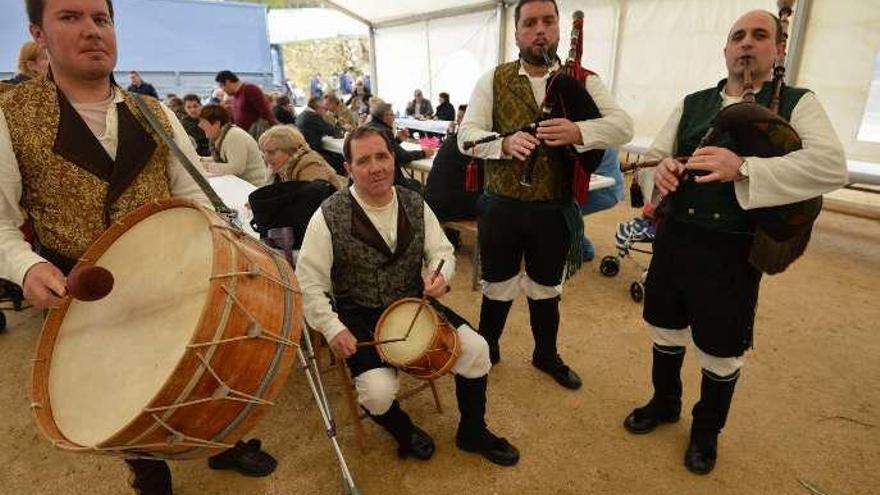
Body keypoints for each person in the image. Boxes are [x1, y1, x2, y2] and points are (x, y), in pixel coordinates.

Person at [0, 1, 277, 493]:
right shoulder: (10, 115)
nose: (91, 31)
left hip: (169, 272)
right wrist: (25, 267)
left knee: (203, 358)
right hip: (83, 293)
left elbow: (191, 191)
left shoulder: (154, 113)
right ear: (37, 34)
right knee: (124, 389)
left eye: (101, 19)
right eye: (70, 17)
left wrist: (216, 240)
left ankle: (224, 443)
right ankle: (149, 470)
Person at [622, 10, 847, 475]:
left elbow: (830, 168)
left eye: (760, 35)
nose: (747, 44)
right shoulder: (694, 102)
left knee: (721, 349)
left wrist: (743, 167)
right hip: (676, 238)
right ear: (725, 50)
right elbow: (656, 158)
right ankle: (665, 404)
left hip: (733, 250)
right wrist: (659, 173)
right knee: (664, 326)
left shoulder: (799, 103)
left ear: (778, 49)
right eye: (738, 36)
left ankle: (706, 431)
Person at [296, 125, 519, 467]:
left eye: (382, 156)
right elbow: (309, 283)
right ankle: (403, 431)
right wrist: (332, 328)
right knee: (378, 393)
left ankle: (472, 431)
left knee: (477, 350)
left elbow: (441, 250)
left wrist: (440, 276)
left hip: (415, 305)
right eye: (364, 160)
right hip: (360, 316)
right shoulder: (327, 215)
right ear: (348, 168)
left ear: (393, 157)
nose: (376, 167)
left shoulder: (414, 201)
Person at [457, 0, 633, 390]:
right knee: (497, 284)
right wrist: (502, 143)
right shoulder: (494, 79)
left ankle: (545, 354)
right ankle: (489, 347)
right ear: (517, 32)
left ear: (557, 29)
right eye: (530, 23)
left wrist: (579, 132)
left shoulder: (583, 80)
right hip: (501, 206)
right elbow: (465, 136)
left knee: (546, 286)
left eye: (548, 22)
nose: (540, 30)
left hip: (553, 208)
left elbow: (623, 127)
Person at [424, 104, 481, 222]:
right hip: (449, 208)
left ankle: (451, 237)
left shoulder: (450, 140)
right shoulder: (473, 146)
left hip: (431, 202)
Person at [366, 98, 435, 189]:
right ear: (386, 116)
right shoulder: (384, 131)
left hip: (374, 179)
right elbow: (403, 156)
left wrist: (398, 140)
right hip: (391, 183)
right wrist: (423, 153)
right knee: (420, 186)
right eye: (392, 115)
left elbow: (387, 148)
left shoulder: (369, 127)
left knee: (415, 183)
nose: (394, 117)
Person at [198, 104, 267, 187]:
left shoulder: (234, 136)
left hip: (253, 186)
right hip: (240, 183)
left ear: (217, 123)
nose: (200, 125)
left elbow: (236, 168)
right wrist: (201, 160)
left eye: (203, 122)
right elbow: (223, 159)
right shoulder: (222, 136)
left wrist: (207, 166)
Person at [258, 125, 345, 188]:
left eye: (271, 152)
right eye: (264, 152)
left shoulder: (310, 166)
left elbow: (311, 202)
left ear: (290, 150)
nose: (266, 158)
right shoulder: (281, 167)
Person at [579, 148, 625, 261]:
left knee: (565, 213)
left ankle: (584, 250)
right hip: (610, 185)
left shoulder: (591, 137)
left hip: (604, 188)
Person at [214, 70, 277, 139]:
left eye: (221, 86)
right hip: (245, 137)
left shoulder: (249, 89)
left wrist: (274, 133)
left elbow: (266, 112)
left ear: (227, 82)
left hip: (257, 137)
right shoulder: (234, 97)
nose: (223, 90)